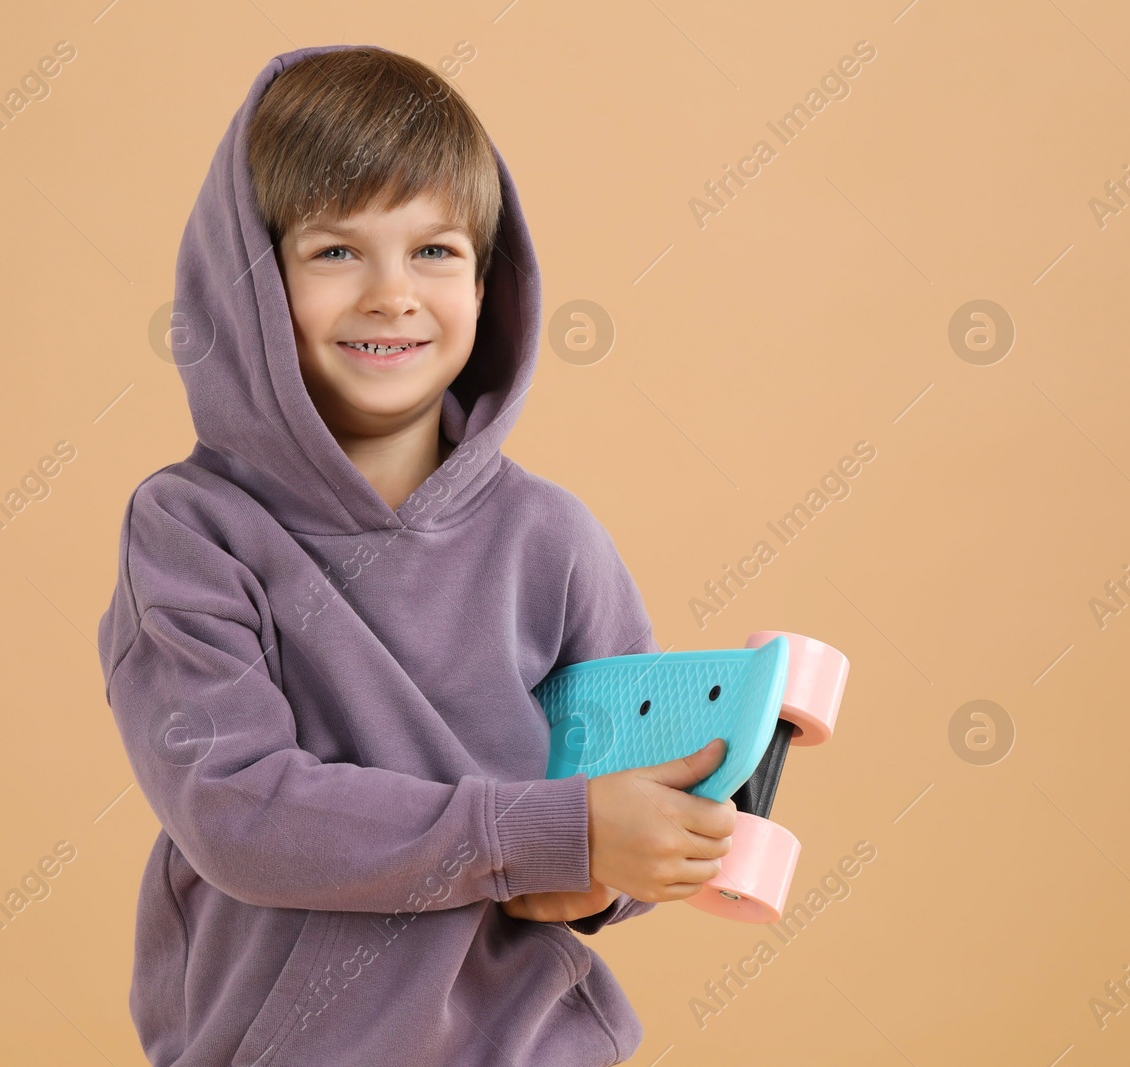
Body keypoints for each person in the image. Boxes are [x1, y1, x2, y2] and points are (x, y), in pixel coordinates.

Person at [96, 43, 736, 1067]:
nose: (392, 294)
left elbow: (610, 817)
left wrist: (649, 837)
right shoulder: (190, 531)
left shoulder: (553, 539)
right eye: (335, 251)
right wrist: (542, 833)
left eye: (435, 250)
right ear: (248, 287)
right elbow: (236, 807)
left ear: (489, 283)